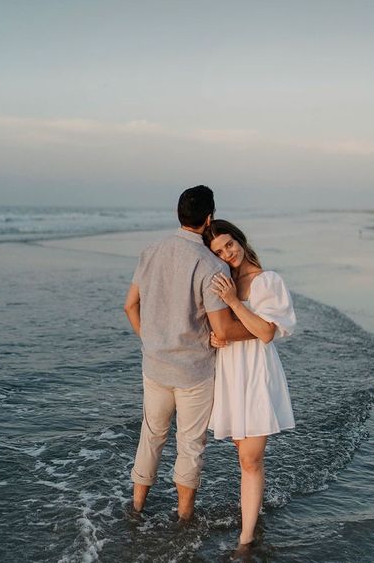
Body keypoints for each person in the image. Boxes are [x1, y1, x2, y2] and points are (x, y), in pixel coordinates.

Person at [124, 186, 254, 521]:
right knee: (190, 444)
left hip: (154, 366)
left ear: (179, 215)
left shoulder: (151, 250)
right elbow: (223, 330)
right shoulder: (212, 265)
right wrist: (263, 329)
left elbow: (129, 306)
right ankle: (183, 519)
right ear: (209, 218)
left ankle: (137, 507)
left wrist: (152, 341)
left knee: (151, 435)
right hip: (194, 372)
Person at [203, 219, 296, 550]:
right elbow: (224, 328)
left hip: (256, 372)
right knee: (245, 457)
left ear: (239, 240)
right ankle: (254, 509)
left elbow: (267, 332)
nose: (228, 253)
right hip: (230, 372)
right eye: (219, 251)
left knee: (251, 459)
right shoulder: (224, 280)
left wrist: (233, 303)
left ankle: (246, 538)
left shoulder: (267, 281)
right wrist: (216, 338)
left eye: (229, 244)